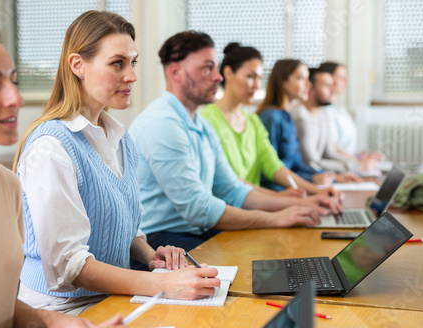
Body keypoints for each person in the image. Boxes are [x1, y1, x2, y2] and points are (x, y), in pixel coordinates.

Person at [12, 11, 220, 315]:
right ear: (78, 65)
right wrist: (163, 284)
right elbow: (71, 267)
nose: (132, 75)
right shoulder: (50, 148)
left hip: (114, 297)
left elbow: (126, 228)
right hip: (62, 309)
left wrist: (152, 257)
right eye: (117, 63)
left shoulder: (120, 138)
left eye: (132, 62)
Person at [0, 20, 123, 327]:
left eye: (13, 81)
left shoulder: (6, 185)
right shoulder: (50, 145)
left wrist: (57, 323)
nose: (16, 99)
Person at [129, 31, 336, 253]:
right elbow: (198, 209)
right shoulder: (163, 123)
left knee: (281, 248)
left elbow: (231, 188)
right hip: (162, 243)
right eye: (207, 68)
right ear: (176, 72)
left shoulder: (200, 124)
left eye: (216, 68)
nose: (218, 77)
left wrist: (296, 204)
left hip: (196, 231)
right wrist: (275, 218)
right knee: (266, 255)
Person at [200, 43, 344, 198]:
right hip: (232, 211)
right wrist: (278, 197)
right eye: (250, 77)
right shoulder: (207, 120)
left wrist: (317, 191)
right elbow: (229, 182)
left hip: (256, 205)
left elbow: (274, 166)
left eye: (260, 78)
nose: (257, 85)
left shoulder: (252, 120)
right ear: (228, 73)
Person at [256, 59, 360, 190]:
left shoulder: (287, 117)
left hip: (291, 188)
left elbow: (296, 165)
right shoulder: (271, 117)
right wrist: (312, 182)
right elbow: (270, 171)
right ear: (283, 82)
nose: (308, 85)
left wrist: (330, 176)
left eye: (308, 79)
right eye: (301, 78)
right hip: (278, 191)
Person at [290, 68, 366, 174]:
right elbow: (312, 163)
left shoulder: (322, 115)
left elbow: (329, 152)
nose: (333, 90)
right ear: (310, 89)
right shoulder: (301, 118)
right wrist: (352, 166)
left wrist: (356, 163)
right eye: (326, 86)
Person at [319, 61, 384, 167]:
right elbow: (333, 149)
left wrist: (361, 156)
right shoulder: (325, 111)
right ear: (328, 79)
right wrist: (357, 161)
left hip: (348, 163)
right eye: (341, 77)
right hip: (338, 166)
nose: (346, 81)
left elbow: (344, 148)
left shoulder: (339, 109)